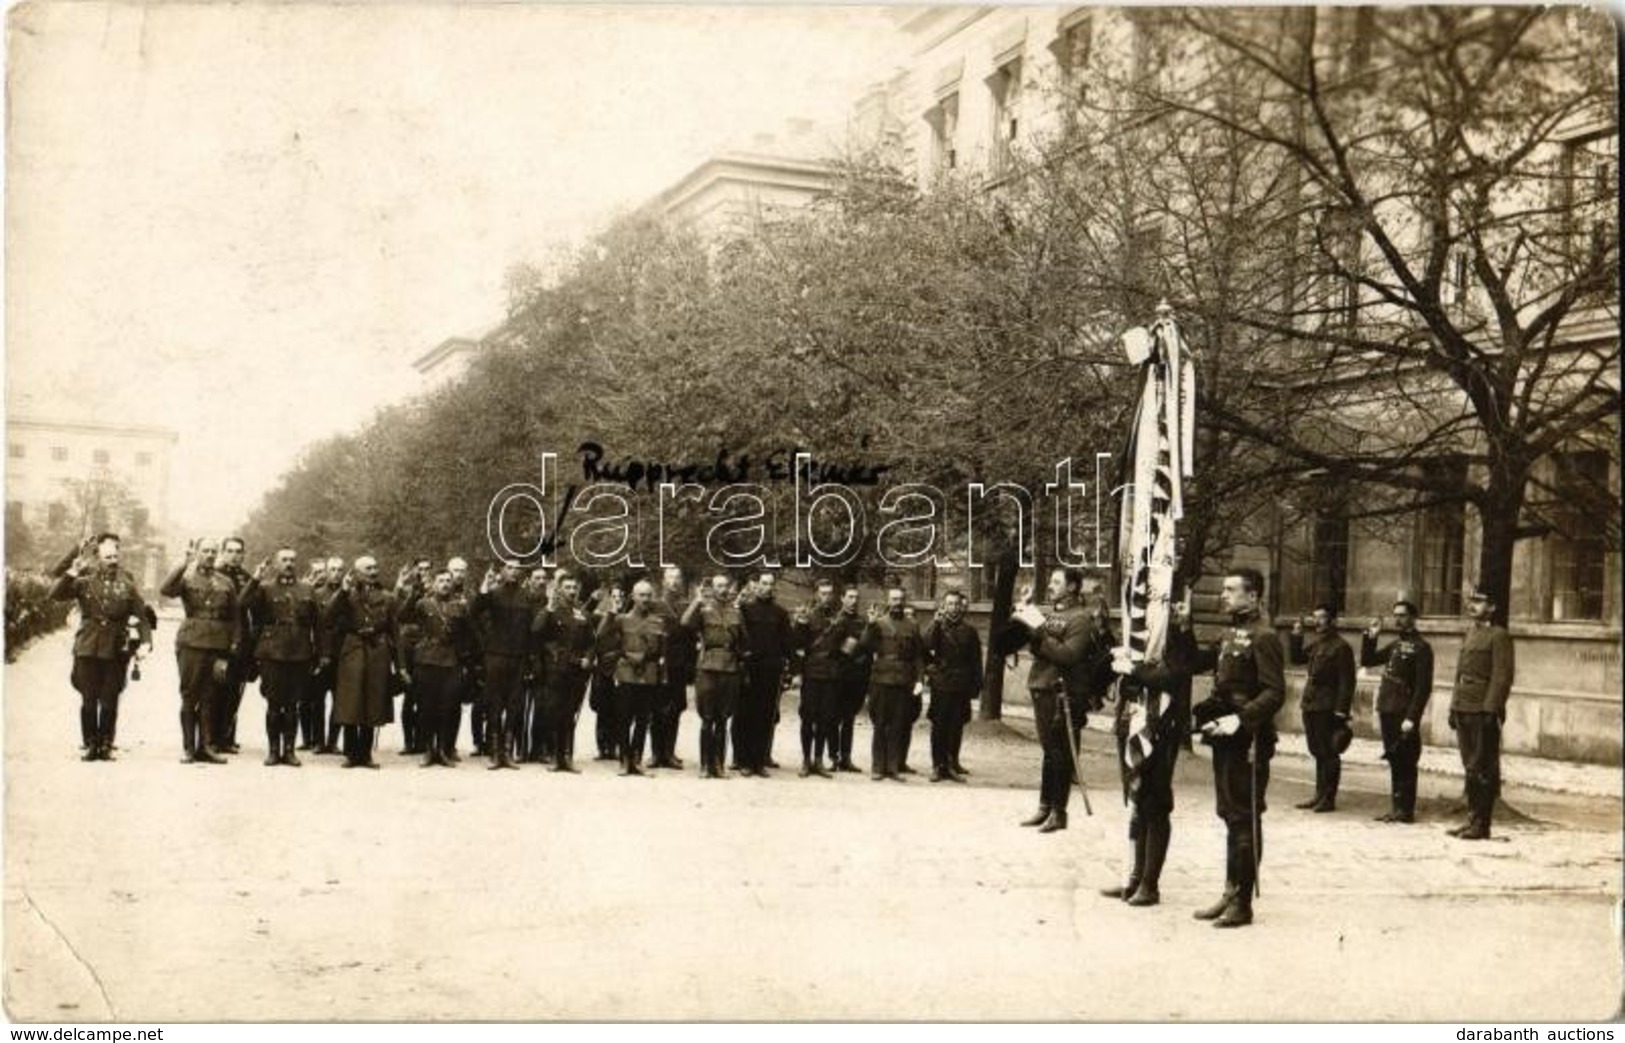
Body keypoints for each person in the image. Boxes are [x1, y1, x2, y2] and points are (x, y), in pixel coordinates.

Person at [1185, 567, 1285, 929]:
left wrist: (1241, 720)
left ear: (1253, 595)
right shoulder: (1231, 633)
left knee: (1244, 818)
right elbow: (1219, 681)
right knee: (1229, 815)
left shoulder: (1265, 636)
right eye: (1224, 589)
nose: (1223, 595)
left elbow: (1275, 692)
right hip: (1225, 735)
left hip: (1249, 741)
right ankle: (1230, 890)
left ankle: (1243, 903)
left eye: (1231, 590)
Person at [1103, 618, 1196, 907]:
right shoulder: (1139, 620)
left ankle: (1149, 883)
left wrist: (1134, 668)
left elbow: (1173, 675)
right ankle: (1134, 875)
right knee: (1137, 801)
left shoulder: (1176, 630)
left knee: (1155, 804)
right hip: (1134, 720)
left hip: (1161, 728)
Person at [1014, 569, 1113, 832]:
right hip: (1043, 687)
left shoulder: (1080, 619)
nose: (1050, 585)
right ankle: (1045, 807)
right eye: (1051, 580)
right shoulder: (1054, 614)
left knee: (1061, 755)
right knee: (1049, 753)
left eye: (1056, 581)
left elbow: (1069, 655)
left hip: (1064, 695)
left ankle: (1059, 812)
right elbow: (1040, 640)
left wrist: (1040, 637)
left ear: (1072, 587)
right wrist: (1027, 612)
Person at [49, 534, 152, 761]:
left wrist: (146, 643)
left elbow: (142, 616)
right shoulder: (84, 581)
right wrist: (72, 573)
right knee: (88, 698)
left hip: (116, 647)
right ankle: (90, 744)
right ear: (98, 558)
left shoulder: (127, 585)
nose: (113, 560)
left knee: (109, 697)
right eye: (107, 557)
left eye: (115, 555)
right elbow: (54, 595)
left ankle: (105, 743)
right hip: (88, 645)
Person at [160, 538, 241, 764]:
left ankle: (205, 746)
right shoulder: (186, 577)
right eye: (205, 550)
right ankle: (188, 748)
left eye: (214, 551)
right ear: (197, 552)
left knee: (210, 696)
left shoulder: (226, 582)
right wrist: (182, 564)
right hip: (191, 642)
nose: (210, 555)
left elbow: (235, 616)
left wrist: (234, 643)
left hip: (217, 645)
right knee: (189, 694)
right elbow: (166, 589)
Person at [240, 548, 322, 766]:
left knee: (293, 704)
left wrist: (319, 653)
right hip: (272, 652)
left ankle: (290, 750)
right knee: (274, 704)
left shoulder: (307, 588)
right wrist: (255, 579)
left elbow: (318, 624)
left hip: (300, 652)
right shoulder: (265, 588)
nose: (289, 563)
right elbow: (241, 604)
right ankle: (273, 750)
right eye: (284, 560)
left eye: (292, 560)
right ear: (276, 563)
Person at [1447, 585, 1515, 841]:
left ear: (1493, 607)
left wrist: (1491, 710)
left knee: (1483, 767)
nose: (1472, 604)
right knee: (1470, 767)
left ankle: (1482, 825)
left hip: (1481, 709)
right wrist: (1454, 706)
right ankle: (1472, 820)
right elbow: (1459, 674)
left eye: (1479, 600)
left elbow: (1502, 677)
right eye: (1471, 600)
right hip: (1465, 706)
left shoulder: (1499, 636)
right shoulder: (1470, 633)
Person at [1361, 599, 1434, 824]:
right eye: (1396, 615)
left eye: (1402, 615)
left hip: (1403, 712)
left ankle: (1406, 811)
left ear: (1413, 618)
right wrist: (1371, 637)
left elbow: (1423, 688)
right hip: (1388, 708)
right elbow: (1368, 660)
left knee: (1407, 760)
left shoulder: (1421, 648)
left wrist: (1412, 717)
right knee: (1394, 759)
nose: (1398, 619)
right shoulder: (1394, 645)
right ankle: (1396, 808)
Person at [397, 569, 477, 768]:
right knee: (426, 708)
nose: (445, 584)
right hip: (427, 661)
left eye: (448, 581)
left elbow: (470, 635)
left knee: (448, 708)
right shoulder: (424, 603)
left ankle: (443, 749)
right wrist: (414, 592)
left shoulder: (460, 607)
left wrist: (466, 660)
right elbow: (403, 616)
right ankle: (428, 750)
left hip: (451, 662)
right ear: (433, 583)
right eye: (441, 580)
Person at [326, 556, 398, 769]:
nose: (373, 571)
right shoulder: (347, 594)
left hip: (377, 650)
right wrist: (343, 591)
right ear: (357, 572)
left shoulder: (386, 596)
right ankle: (350, 753)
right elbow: (328, 618)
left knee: (373, 701)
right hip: (353, 648)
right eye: (368, 568)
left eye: (376, 567)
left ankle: (365, 754)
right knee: (351, 701)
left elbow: (395, 630)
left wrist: (399, 664)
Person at [470, 561, 540, 770]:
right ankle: (494, 752)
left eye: (517, 568)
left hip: (519, 657)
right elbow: (473, 614)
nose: (513, 571)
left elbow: (534, 630)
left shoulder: (528, 596)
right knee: (494, 704)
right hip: (495, 656)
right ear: (502, 571)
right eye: (509, 567)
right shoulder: (493, 594)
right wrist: (485, 642)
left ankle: (507, 752)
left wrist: (531, 660)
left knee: (514, 705)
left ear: (521, 573)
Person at [1288, 603, 1356, 813]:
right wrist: (1297, 635)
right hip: (1311, 704)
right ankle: (1319, 794)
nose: (1316, 621)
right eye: (1315, 617)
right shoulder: (1318, 644)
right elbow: (1297, 658)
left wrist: (1341, 711)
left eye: (1322, 618)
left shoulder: (1340, 647)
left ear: (1333, 621)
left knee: (1329, 752)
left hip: (1327, 706)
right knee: (1317, 751)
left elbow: (1347, 682)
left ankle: (1328, 798)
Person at [596, 579, 666, 776]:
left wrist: (661, 674)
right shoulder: (622, 619)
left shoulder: (658, 621)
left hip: (648, 673)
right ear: (633, 597)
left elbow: (661, 650)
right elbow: (601, 634)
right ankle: (624, 760)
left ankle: (637, 759)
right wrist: (611, 611)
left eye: (648, 595)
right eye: (641, 595)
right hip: (626, 673)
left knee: (643, 719)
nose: (645, 599)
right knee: (624, 718)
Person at [532, 571, 596, 773]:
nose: (571, 591)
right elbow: (536, 631)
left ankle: (567, 757)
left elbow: (591, 642)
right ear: (560, 590)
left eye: (574, 588)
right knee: (554, 712)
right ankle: (554, 756)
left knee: (570, 714)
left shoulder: (583, 613)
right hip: (556, 670)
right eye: (567, 587)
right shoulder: (551, 611)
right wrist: (548, 608)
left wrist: (589, 658)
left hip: (576, 671)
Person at [684, 574, 748, 778]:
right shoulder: (703, 609)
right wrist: (697, 600)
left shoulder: (736, 612)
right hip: (707, 667)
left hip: (729, 668)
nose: (722, 589)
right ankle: (704, 765)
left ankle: (719, 764)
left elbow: (745, 639)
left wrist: (740, 656)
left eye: (725, 586)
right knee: (707, 718)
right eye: (718, 586)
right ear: (712, 588)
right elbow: (685, 623)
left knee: (723, 718)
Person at [861, 585, 924, 782]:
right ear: (888, 601)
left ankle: (893, 766)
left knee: (898, 724)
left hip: (903, 681)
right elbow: (864, 645)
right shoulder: (878, 623)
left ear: (904, 601)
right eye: (894, 599)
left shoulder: (912, 625)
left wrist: (920, 680)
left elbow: (918, 656)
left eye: (900, 599)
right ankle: (878, 767)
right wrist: (870, 625)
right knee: (880, 724)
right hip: (881, 680)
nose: (897, 603)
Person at [924, 589, 982, 783]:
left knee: (956, 726)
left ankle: (951, 763)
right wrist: (935, 623)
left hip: (961, 684)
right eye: (949, 604)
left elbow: (976, 659)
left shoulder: (969, 631)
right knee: (939, 726)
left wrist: (976, 684)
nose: (953, 608)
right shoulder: (937, 627)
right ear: (944, 606)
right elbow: (926, 648)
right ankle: (937, 766)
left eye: (957, 604)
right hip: (941, 684)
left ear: (962, 606)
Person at [738, 573, 793, 777]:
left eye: (771, 584)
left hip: (771, 670)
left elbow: (787, 642)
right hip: (750, 669)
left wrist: (790, 671)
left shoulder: (781, 613)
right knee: (745, 715)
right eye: (764, 583)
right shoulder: (745, 609)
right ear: (756, 586)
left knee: (765, 717)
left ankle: (758, 761)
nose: (767, 587)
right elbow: (739, 638)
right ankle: (743, 760)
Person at [792, 580, 843, 776]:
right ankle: (806, 760)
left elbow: (847, 644)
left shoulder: (838, 618)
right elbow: (797, 647)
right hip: (811, 673)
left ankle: (819, 760)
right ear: (816, 595)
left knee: (825, 718)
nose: (826, 597)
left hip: (831, 675)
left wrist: (840, 663)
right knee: (808, 718)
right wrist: (797, 673)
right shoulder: (807, 617)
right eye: (822, 593)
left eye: (829, 593)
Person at [649, 565, 695, 770]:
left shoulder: (688, 605)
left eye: (678, 578)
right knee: (656, 709)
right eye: (670, 578)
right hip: (659, 662)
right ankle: (655, 754)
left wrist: (690, 666)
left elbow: (691, 636)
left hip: (679, 664)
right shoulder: (655, 604)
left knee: (675, 709)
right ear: (663, 581)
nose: (674, 581)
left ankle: (669, 752)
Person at [215, 536, 253, 754]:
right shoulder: (216, 575)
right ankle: (212, 736)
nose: (235, 555)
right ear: (223, 552)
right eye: (230, 550)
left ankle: (227, 737)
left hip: (242, 639)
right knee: (216, 688)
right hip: (221, 637)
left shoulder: (247, 577)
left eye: (239, 551)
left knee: (234, 690)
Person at [829, 586, 869, 772]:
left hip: (856, 677)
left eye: (856, 597)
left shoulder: (863, 621)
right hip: (838, 676)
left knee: (849, 718)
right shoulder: (835, 620)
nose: (854, 600)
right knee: (833, 717)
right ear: (842, 598)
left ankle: (846, 757)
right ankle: (832, 757)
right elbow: (832, 648)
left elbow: (868, 646)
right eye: (850, 597)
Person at [587, 585, 625, 761]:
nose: (617, 599)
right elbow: (597, 637)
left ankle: (614, 747)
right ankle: (603, 748)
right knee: (602, 709)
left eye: (620, 596)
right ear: (609, 598)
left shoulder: (627, 617)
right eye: (614, 596)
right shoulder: (599, 617)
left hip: (620, 668)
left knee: (619, 710)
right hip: (603, 668)